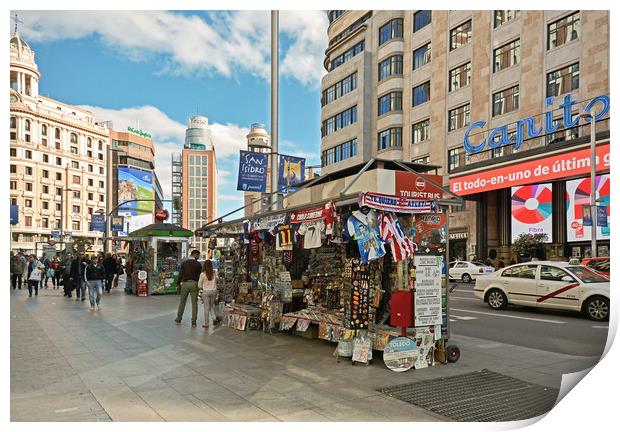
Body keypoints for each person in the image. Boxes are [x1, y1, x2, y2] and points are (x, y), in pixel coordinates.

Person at [175, 249, 202, 327]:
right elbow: (200, 275)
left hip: (185, 284)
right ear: (195, 255)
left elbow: (180, 275)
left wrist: (178, 284)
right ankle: (193, 322)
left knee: (182, 302)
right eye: (198, 255)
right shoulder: (198, 264)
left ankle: (178, 318)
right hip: (194, 284)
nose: (199, 257)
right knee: (194, 303)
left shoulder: (184, 263)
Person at [199, 259, 218, 333]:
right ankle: (214, 318)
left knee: (206, 308)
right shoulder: (214, 272)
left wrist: (203, 287)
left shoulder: (202, 274)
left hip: (206, 292)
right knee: (211, 305)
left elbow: (199, 285)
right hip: (214, 291)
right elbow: (217, 280)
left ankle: (206, 324)